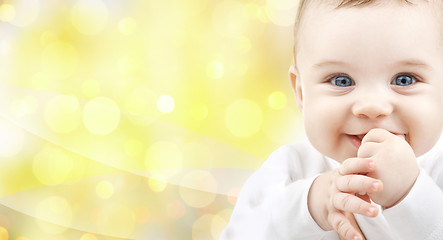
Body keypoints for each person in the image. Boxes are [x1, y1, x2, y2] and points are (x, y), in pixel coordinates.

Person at [221, 0, 443, 239]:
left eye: (404, 79)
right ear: (301, 93)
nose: (371, 107)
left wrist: (410, 194)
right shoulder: (290, 170)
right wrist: (309, 206)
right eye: (341, 81)